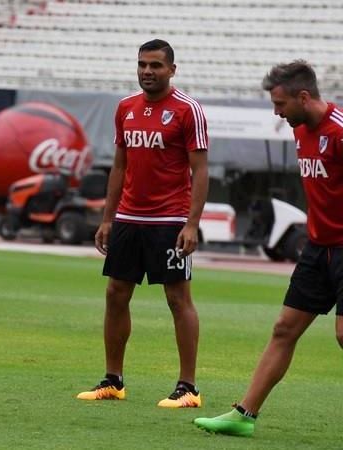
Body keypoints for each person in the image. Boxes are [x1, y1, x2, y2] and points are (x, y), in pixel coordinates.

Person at [194, 60, 343, 437]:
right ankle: (243, 415)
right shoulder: (302, 129)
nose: (275, 112)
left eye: (280, 104)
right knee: (283, 329)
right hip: (318, 248)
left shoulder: (339, 131)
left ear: (304, 96)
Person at [76, 39, 209, 408]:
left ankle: (188, 387)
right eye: (142, 65)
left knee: (177, 297)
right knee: (116, 294)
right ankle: (113, 380)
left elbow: (200, 172)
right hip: (128, 218)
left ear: (171, 70)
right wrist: (108, 218)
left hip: (169, 218)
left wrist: (191, 223)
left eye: (155, 65)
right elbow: (120, 165)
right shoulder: (125, 109)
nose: (147, 71)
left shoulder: (188, 110)